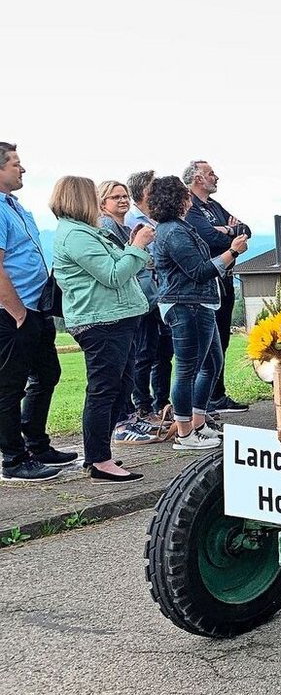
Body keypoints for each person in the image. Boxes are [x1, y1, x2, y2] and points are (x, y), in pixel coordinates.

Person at [50, 176, 154, 482]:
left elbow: (118, 266)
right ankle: (98, 460)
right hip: (102, 322)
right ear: (79, 199)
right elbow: (113, 274)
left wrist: (130, 247)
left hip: (116, 318)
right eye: (92, 195)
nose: (98, 200)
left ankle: (102, 454)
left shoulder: (88, 232)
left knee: (119, 389)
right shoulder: (76, 236)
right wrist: (137, 246)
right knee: (104, 390)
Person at [151, 175, 246, 449]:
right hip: (185, 305)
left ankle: (198, 422)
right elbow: (199, 271)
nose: (189, 198)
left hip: (199, 303)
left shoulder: (179, 228)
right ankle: (184, 434)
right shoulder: (174, 232)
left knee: (212, 363)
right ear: (179, 200)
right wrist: (232, 251)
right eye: (185, 194)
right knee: (187, 369)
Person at [0, 143, 76, 480]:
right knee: (9, 386)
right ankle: (13, 460)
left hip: (35, 308)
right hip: (14, 313)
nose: (23, 169)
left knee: (47, 374)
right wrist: (17, 313)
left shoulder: (14, 206)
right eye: (16, 164)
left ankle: (36, 444)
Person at [96, 180, 162, 444]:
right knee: (128, 364)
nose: (122, 201)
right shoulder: (107, 226)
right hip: (122, 304)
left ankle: (131, 415)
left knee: (135, 359)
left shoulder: (122, 226)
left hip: (138, 299)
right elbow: (125, 262)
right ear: (103, 203)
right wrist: (139, 246)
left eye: (124, 196)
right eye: (115, 197)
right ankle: (123, 420)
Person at [182, 160, 248, 415]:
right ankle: (202, 401)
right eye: (211, 173)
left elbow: (245, 229)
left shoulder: (214, 206)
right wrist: (229, 234)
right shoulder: (191, 207)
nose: (216, 177)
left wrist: (228, 229)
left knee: (222, 340)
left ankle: (217, 395)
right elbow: (206, 238)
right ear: (198, 178)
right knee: (206, 345)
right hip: (207, 280)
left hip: (225, 279)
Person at [126, 170, 174, 429]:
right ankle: (142, 405)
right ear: (144, 192)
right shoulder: (132, 220)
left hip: (163, 292)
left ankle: (162, 403)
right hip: (145, 293)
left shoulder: (158, 218)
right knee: (144, 352)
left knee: (165, 353)